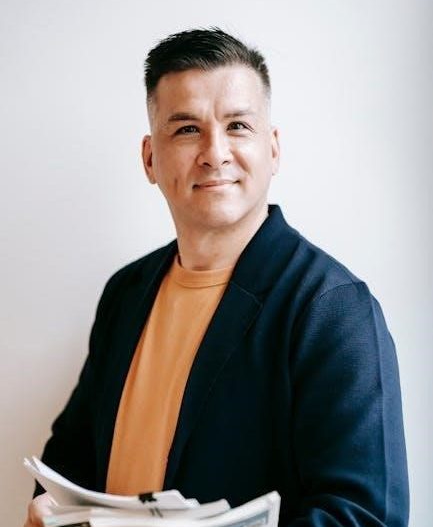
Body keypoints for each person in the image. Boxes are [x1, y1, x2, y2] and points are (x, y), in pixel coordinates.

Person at [24, 28, 409, 527]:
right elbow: (67, 464)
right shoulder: (126, 292)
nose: (215, 152)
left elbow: (363, 516)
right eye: (187, 129)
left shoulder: (331, 308)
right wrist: (47, 510)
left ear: (273, 149)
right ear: (149, 158)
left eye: (238, 126)